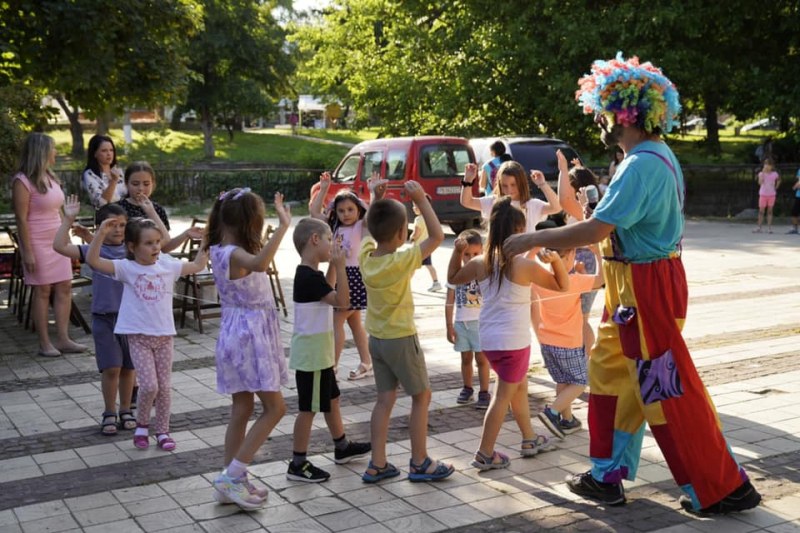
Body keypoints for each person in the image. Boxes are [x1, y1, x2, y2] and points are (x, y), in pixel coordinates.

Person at [504, 53, 761, 514]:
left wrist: (528, 236)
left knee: (664, 390)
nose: (600, 122)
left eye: (604, 112)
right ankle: (607, 474)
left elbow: (594, 230)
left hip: (645, 289)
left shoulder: (642, 164)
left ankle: (722, 486)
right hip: (631, 288)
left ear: (624, 114)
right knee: (612, 377)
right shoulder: (649, 158)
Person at [448, 198, 568, 471]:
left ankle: (529, 439)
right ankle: (484, 452)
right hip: (513, 342)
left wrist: (458, 251)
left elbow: (454, 278)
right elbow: (563, 285)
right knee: (504, 395)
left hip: (489, 339)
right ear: (518, 230)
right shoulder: (523, 265)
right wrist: (556, 261)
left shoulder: (481, 261)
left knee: (519, 388)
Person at [86, 211, 208, 452]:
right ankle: (142, 425)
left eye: (157, 242)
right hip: (138, 337)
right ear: (131, 246)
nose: (155, 247)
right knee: (149, 386)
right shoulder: (126, 267)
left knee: (164, 387)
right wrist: (99, 234)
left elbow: (197, 265)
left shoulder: (167, 265)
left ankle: (162, 431)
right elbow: (94, 261)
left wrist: (206, 241)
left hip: (164, 337)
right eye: (149, 243)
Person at [359, 177, 454, 483]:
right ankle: (420, 461)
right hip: (401, 338)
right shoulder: (402, 260)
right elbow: (437, 236)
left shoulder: (366, 259)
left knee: (384, 400)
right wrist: (422, 199)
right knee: (421, 396)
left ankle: (377, 463)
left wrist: (376, 197)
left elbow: (367, 229)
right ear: (402, 233)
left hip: (377, 340)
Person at [203, 188, 290, 509]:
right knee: (275, 408)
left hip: (236, 334)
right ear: (248, 223)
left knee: (242, 409)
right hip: (249, 338)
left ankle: (232, 479)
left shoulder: (218, 248)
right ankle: (232, 476)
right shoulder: (235, 254)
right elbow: (260, 263)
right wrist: (282, 227)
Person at [287, 218, 371, 483]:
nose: (331, 245)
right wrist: (342, 265)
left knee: (332, 399)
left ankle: (342, 446)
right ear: (314, 240)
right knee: (308, 409)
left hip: (319, 353)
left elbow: (329, 286)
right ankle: (298, 463)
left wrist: (335, 265)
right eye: (327, 240)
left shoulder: (312, 274)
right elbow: (342, 301)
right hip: (311, 356)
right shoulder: (307, 276)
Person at [53, 199, 135, 435]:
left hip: (131, 319)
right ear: (100, 228)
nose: (118, 230)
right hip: (105, 318)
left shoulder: (132, 251)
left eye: (122, 225)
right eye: (112, 226)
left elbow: (160, 246)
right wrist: (68, 220)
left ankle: (126, 409)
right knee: (112, 368)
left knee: (129, 369)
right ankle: (109, 412)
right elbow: (59, 246)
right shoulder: (93, 251)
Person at [11, 132, 86, 357]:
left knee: (64, 287)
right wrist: (27, 252)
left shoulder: (51, 178)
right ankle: (44, 343)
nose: (56, 152)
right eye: (53, 148)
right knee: (43, 290)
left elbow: (60, 211)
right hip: (37, 241)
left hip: (57, 242)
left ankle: (63, 338)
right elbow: (21, 218)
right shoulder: (22, 181)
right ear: (42, 151)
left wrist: (68, 240)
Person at [534, 246, 604, 439]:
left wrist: (534, 248)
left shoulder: (541, 278)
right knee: (580, 382)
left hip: (547, 341)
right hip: (569, 343)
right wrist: (598, 252)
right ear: (570, 256)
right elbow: (602, 279)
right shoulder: (575, 280)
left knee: (563, 380)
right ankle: (552, 412)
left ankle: (568, 419)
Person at [310, 172, 373, 381]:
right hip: (338, 276)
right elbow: (314, 212)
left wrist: (373, 193)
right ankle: (366, 362)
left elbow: (373, 214)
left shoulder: (360, 226)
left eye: (350, 209)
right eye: (341, 210)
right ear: (335, 212)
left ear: (358, 210)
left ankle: (333, 367)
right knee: (354, 323)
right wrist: (324, 189)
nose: (346, 214)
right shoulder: (333, 226)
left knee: (336, 322)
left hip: (354, 278)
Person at [557, 149, 603, 355]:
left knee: (581, 316)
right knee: (580, 315)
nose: (568, 189)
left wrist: (563, 170)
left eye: (571, 185)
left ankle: (587, 358)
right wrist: (576, 168)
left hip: (584, 259)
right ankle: (586, 357)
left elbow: (563, 200)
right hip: (586, 258)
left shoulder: (583, 208)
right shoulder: (590, 206)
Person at [444, 229, 490, 409]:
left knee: (482, 360)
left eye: (476, 254)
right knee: (465, 359)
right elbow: (449, 302)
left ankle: (484, 391)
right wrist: (449, 326)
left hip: (480, 324)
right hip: (461, 325)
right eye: (466, 254)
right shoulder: (456, 275)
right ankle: (467, 387)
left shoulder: (484, 273)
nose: (471, 258)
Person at [115, 162, 201, 252]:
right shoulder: (118, 208)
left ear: (153, 184)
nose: (141, 188)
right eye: (135, 184)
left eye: (146, 184)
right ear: (126, 184)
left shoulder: (157, 209)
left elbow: (164, 246)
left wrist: (185, 234)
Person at [461, 161, 561, 233]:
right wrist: (468, 180)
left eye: (513, 185)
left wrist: (543, 184)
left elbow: (556, 207)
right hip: (498, 259)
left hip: (525, 260)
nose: (509, 190)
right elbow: (467, 202)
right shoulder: (493, 202)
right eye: (504, 185)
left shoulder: (532, 204)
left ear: (521, 183)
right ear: (499, 184)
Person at [82, 134, 126, 211]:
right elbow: (101, 202)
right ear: (95, 153)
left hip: (124, 212)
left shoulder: (119, 171)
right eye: (104, 151)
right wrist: (113, 181)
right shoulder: (90, 175)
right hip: (105, 215)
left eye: (111, 150)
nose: (109, 154)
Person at [410, 195, 442, 292]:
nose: (413, 208)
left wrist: (411, 237)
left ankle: (406, 285)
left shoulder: (418, 220)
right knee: (428, 265)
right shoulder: (429, 218)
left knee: (411, 267)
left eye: (415, 206)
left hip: (418, 248)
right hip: (428, 246)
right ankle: (436, 282)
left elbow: (416, 234)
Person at [754, 159, 779, 234]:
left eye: (769, 164)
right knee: (761, 211)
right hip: (763, 194)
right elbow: (760, 183)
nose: (767, 166)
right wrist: (762, 174)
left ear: (772, 166)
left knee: (770, 211)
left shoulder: (775, 174)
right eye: (766, 164)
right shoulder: (761, 173)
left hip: (771, 194)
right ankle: (759, 227)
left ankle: (769, 228)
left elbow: (779, 180)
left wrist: (776, 187)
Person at [789, 167, 800, 234]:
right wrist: (796, 186)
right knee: (794, 212)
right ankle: (795, 229)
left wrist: (795, 186)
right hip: (798, 195)